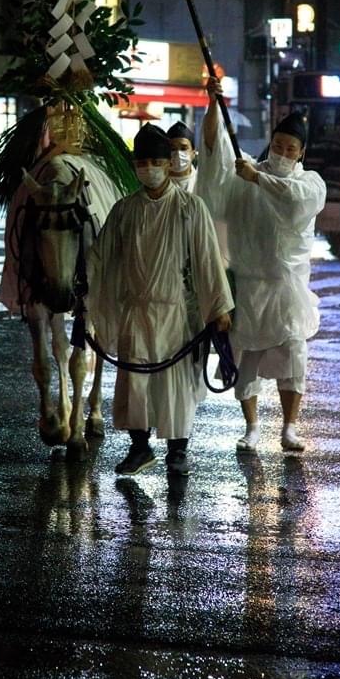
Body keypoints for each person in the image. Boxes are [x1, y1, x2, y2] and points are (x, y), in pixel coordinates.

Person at [86, 123, 233, 477]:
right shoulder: (124, 210)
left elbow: (207, 261)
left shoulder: (190, 207)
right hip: (135, 309)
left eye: (155, 160)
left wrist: (219, 308)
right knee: (134, 381)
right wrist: (82, 292)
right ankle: (140, 448)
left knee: (174, 384)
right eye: (142, 161)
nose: (148, 168)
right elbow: (101, 257)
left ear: (168, 164)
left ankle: (177, 450)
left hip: (176, 312)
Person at [197, 80, 326, 453]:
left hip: (287, 286)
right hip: (249, 284)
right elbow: (213, 156)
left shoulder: (310, 183)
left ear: (301, 153)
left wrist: (260, 179)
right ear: (270, 143)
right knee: (245, 358)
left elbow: (295, 202)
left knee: (292, 355)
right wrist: (213, 105)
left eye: (291, 148)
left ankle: (289, 427)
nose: (283, 152)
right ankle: (251, 426)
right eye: (278, 145)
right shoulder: (245, 174)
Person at [166, 121, 197, 192]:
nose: (178, 153)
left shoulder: (200, 181)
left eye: (183, 148)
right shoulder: (158, 184)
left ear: (193, 153)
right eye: (172, 149)